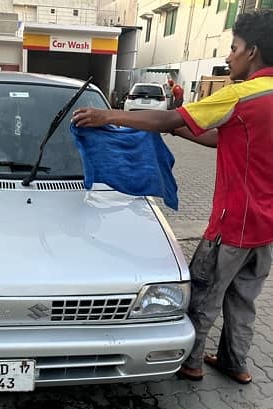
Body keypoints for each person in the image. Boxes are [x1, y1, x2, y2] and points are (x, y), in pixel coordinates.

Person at [72, 10, 273, 385]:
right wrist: (180, 133)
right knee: (243, 298)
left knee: (205, 293)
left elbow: (166, 118)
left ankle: (191, 363)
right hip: (266, 230)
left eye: (234, 48)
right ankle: (235, 362)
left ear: (253, 51)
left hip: (232, 225)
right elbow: (221, 139)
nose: (228, 57)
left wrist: (107, 117)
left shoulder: (242, 95)